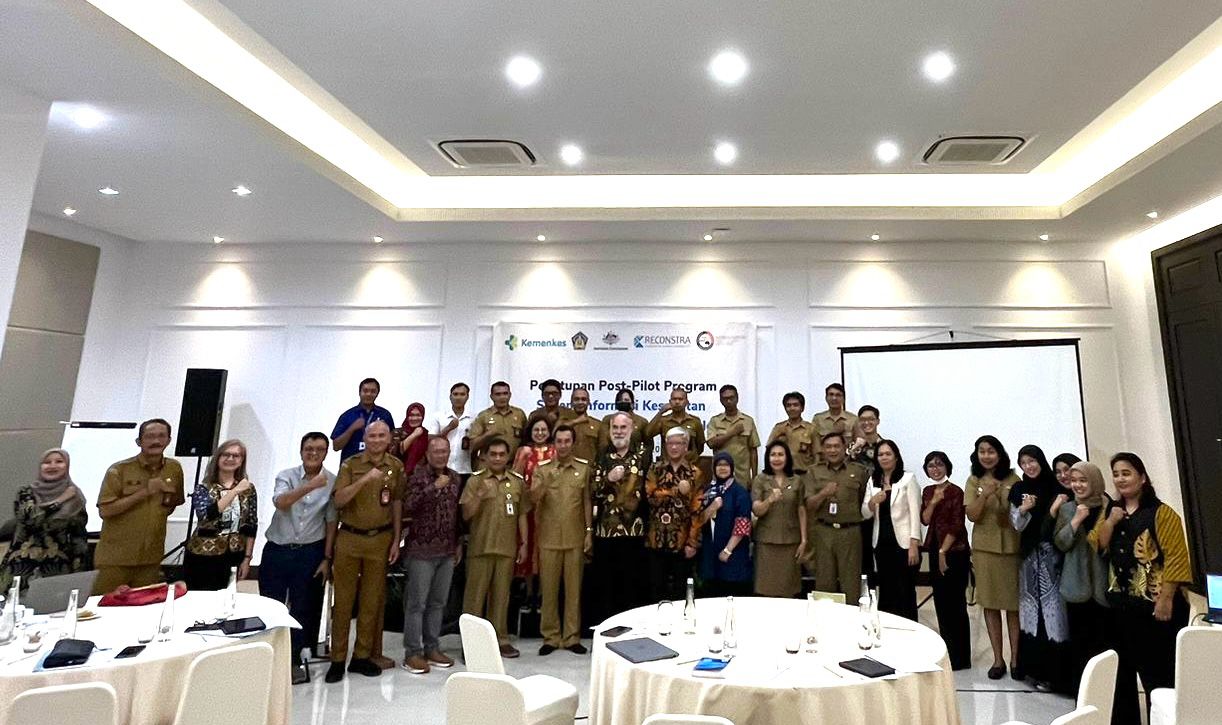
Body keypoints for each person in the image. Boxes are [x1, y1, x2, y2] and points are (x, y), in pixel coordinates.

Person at [1096, 452, 1190, 725]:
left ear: (1142, 478)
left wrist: (1166, 599)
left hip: (1155, 608)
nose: (1120, 479)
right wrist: (1110, 521)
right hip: (1120, 607)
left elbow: (1176, 558)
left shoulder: (1162, 513)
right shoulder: (1112, 511)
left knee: (1158, 676)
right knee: (1122, 676)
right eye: (1116, 474)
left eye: (1126, 473)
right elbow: (1098, 543)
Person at [325, 420, 404, 683]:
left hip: (380, 539)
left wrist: (396, 540)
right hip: (349, 537)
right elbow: (339, 500)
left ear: (389, 439)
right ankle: (337, 659)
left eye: (382, 435)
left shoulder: (396, 466)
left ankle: (360, 656)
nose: (377, 440)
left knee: (371, 602)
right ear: (365, 438)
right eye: (372, 436)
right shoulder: (351, 464)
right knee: (343, 602)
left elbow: (397, 502)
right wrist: (365, 480)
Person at [259, 432, 336, 685]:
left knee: (303, 608)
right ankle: (267, 657)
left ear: (326, 452)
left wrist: (327, 558)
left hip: (310, 552)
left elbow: (331, 521)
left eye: (319, 449)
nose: (313, 453)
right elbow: (281, 503)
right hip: (278, 550)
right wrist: (310, 486)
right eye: (309, 449)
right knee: (271, 605)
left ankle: (293, 660)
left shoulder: (333, 481)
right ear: (301, 451)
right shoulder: (286, 475)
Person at [93, 418, 186, 595]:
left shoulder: (174, 469)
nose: (156, 441)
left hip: (151, 559)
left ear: (169, 440)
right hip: (115, 559)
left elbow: (174, 502)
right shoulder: (119, 470)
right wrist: (145, 492)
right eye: (150, 436)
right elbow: (105, 510)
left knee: (145, 607)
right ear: (139, 441)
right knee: (105, 605)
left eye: (161, 436)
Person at [1009, 444, 1071, 692]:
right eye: (1024, 463)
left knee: (1055, 613)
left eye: (1032, 461)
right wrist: (1023, 509)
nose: (1029, 466)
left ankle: (1056, 675)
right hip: (1028, 559)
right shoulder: (1018, 489)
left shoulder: (1057, 487)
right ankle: (1033, 670)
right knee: (1031, 613)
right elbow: (1016, 525)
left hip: (1053, 557)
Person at [460, 438, 529, 658]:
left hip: (506, 548)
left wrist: (524, 543)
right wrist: (480, 495)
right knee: (474, 599)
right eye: (493, 454)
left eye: (502, 454)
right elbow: (466, 515)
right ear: (485, 457)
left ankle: (501, 640)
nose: (498, 458)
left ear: (508, 457)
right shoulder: (475, 481)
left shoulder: (516, 482)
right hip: (480, 548)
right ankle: (470, 644)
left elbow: (522, 514)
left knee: (501, 598)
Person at [400, 436, 462, 674]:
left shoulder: (455, 478)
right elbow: (408, 506)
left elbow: (457, 515)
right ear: (427, 454)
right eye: (436, 451)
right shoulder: (417, 477)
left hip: (446, 550)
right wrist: (432, 488)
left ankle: (432, 647)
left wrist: (458, 544)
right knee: (417, 604)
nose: (440, 455)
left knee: (438, 603)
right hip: (421, 551)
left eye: (444, 451)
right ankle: (412, 652)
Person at [529, 425, 592, 655]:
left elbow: (586, 501)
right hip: (549, 537)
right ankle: (551, 637)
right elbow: (532, 499)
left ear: (573, 443)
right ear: (554, 443)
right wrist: (544, 483)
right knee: (549, 590)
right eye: (559, 441)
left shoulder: (583, 469)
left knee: (574, 591)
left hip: (575, 537)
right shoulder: (542, 469)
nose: (563, 445)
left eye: (567, 441)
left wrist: (589, 531)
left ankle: (572, 636)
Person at [964, 435, 1022, 681]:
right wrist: (985, 495)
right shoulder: (973, 480)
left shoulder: (1014, 480)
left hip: (1010, 549)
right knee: (990, 605)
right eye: (982, 451)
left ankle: (1016, 659)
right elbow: (972, 515)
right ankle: (998, 660)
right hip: (984, 550)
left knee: (1013, 606)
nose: (986, 456)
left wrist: (999, 497)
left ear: (1000, 454)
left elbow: (1012, 517)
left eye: (991, 451)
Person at [1051, 460, 1111, 695]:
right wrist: (1075, 521)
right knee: (1080, 647)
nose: (1077, 485)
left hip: (1105, 589)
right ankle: (1083, 699)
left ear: (1094, 481)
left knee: (1105, 649)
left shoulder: (1109, 507)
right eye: (1074, 480)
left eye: (1083, 480)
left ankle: (1106, 698)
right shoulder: (1068, 509)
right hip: (1076, 588)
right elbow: (1060, 543)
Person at [0, 449, 89, 592]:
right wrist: (60, 500)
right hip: (22, 567)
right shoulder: (26, 492)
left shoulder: (75, 498)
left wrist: (79, 573)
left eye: (59, 462)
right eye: (47, 462)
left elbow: (79, 537)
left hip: (58, 569)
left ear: (67, 466)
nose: (52, 466)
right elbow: (30, 519)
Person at [589, 412, 649, 623]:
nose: (619, 432)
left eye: (623, 427)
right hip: (606, 531)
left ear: (631, 430)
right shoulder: (602, 457)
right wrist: (608, 478)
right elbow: (592, 491)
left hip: (634, 531)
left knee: (631, 584)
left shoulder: (642, 457)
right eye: (615, 427)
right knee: (606, 584)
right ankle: (607, 627)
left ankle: (631, 628)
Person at [184, 438, 257, 591]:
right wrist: (234, 491)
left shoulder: (248, 489)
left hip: (234, 554)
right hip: (203, 555)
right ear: (217, 458)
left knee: (226, 599)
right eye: (226, 454)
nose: (230, 458)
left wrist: (247, 559)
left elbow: (251, 524)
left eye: (236, 455)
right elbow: (207, 515)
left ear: (242, 460)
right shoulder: (203, 488)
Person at [920, 451, 971, 670]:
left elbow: (957, 524)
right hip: (934, 549)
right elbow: (925, 519)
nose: (935, 469)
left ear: (947, 467)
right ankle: (947, 653)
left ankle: (961, 658)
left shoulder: (956, 491)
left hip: (955, 551)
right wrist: (933, 502)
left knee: (956, 603)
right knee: (941, 603)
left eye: (939, 464)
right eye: (931, 465)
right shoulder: (927, 491)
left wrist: (943, 551)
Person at [804, 432, 868, 601]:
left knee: (851, 582)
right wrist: (823, 494)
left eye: (836, 446)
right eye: (828, 447)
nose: (832, 450)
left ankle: (852, 615)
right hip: (824, 531)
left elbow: (864, 501)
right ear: (823, 450)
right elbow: (809, 505)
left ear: (844, 447)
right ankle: (825, 617)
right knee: (824, 581)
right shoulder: (814, 471)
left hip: (850, 532)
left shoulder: (858, 471)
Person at [861, 439, 921, 620]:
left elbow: (915, 513)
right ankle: (888, 626)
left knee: (905, 589)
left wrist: (914, 544)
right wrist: (873, 502)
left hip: (904, 544)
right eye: (880, 454)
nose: (884, 457)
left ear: (896, 457)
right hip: (881, 543)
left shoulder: (907, 479)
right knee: (886, 589)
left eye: (888, 454)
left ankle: (909, 627)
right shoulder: (873, 480)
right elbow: (865, 513)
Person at [644, 427, 704, 601]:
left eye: (679, 443)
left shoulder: (695, 473)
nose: (674, 447)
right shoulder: (655, 469)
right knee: (656, 591)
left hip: (682, 541)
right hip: (656, 540)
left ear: (686, 446)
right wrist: (676, 491)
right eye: (670, 443)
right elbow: (650, 497)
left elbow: (697, 510)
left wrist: (692, 542)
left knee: (680, 593)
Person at [750, 441, 807, 598]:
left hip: (791, 541)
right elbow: (756, 510)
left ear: (787, 457)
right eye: (773, 455)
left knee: (788, 589)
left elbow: (801, 509)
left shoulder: (797, 480)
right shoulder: (760, 480)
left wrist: (804, 540)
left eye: (780, 455)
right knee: (766, 589)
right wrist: (769, 500)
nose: (776, 458)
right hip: (766, 542)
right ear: (767, 458)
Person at [512, 417, 555, 603]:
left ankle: (544, 594)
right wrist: (522, 459)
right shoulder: (523, 450)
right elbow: (515, 478)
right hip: (528, 508)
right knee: (528, 549)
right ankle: (529, 593)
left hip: (550, 509)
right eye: (536, 430)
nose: (540, 433)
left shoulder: (555, 451)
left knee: (546, 551)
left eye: (543, 430)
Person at [698, 452, 753, 597]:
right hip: (710, 556)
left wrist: (728, 551)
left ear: (732, 468)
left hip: (732, 555)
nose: (722, 468)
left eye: (726, 465)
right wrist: (712, 507)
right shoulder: (707, 491)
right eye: (719, 465)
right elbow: (698, 521)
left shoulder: (740, 493)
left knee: (731, 596)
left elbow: (743, 525)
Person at [330, 377, 395, 463]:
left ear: (377, 393)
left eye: (373, 391)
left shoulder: (385, 415)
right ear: (359, 392)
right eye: (365, 391)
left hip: (378, 466)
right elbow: (336, 446)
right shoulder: (347, 415)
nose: (368, 394)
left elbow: (392, 442)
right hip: (351, 467)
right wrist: (352, 428)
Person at [705, 384, 760, 483]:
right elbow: (711, 443)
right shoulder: (715, 421)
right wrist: (732, 433)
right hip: (720, 475)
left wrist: (755, 477)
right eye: (725, 399)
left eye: (731, 398)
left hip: (742, 477)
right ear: (721, 400)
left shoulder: (748, 421)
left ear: (737, 398)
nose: (729, 401)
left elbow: (753, 450)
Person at [467, 381, 527, 463]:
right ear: (491, 396)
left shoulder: (519, 414)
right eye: (498, 394)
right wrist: (488, 435)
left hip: (512, 465)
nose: (502, 397)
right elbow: (472, 446)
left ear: (510, 395)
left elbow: (527, 441)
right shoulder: (483, 416)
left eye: (505, 393)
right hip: (488, 465)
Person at [645, 388, 705, 465]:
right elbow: (647, 434)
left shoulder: (695, 421)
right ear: (670, 402)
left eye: (680, 399)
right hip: (667, 466)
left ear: (686, 402)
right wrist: (660, 412)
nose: (677, 402)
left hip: (689, 466)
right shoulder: (663, 421)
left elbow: (700, 446)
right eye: (674, 399)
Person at [429, 382, 474, 485]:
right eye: (455, 394)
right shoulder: (439, 416)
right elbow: (430, 440)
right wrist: (448, 428)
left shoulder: (474, 418)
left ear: (467, 397)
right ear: (450, 397)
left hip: (465, 469)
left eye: (462, 394)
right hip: (443, 468)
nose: (458, 397)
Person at [767, 392, 818, 475]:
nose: (792, 408)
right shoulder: (778, 427)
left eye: (796, 405)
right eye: (788, 405)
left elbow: (817, 454)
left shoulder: (811, 428)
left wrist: (814, 473)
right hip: (784, 474)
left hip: (805, 474)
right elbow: (769, 449)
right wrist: (777, 435)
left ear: (802, 408)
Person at [598, 388, 651, 468]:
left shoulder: (641, 422)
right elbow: (603, 444)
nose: (623, 402)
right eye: (620, 400)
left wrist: (644, 463)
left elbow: (648, 446)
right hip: (611, 463)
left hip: (636, 464)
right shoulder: (608, 420)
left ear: (632, 403)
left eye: (626, 400)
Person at [561, 387, 602, 463]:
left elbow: (602, 450)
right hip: (566, 468)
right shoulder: (562, 422)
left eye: (583, 399)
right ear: (571, 402)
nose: (580, 402)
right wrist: (576, 421)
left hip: (589, 468)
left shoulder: (597, 425)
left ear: (589, 402)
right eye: (576, 399)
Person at [395, 402, 429, 476]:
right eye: (411, 415)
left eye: (418, 415)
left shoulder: (425, 434)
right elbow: (397, 451)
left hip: (420, 476)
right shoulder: (397, 432)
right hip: (399, 473)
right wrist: (414, 435)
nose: (414, 418)